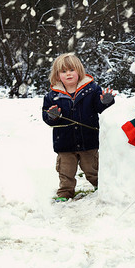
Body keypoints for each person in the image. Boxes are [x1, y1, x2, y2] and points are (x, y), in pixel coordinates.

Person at [42, 53, 115, 202]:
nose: (68, 74)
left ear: (79, 71)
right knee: (65, 171)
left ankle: (103, 187)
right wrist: (53, 115)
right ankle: (65, 193)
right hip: (64, 143)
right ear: (57, 75)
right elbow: (47, 118)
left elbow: (100, 108)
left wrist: (106, 102)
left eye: (71, 70)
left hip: (88, 140)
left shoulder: (92, 90)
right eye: (63, 71)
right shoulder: (51, 96)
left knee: (93, 169)